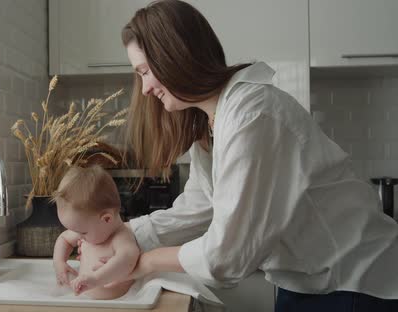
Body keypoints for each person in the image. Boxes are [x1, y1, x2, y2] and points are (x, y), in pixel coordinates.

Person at [89, 0, 398, 311]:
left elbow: (227, 254)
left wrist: (146, 262)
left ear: (175, 57)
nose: (143, 89)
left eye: (145, 71)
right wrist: (111, 232)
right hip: (308, 282)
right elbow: (198, 209)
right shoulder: (212, 123)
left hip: (356, 282)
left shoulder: (252, 114)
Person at [52, 165, 139, 300]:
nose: (78, 237)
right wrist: (59, 262)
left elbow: (127, 259)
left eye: (83, 232)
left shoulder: (121, 237)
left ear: (106, 219)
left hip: (118, 304)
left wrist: (96, 279)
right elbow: (64, 239)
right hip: (85, 301)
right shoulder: (88, 230)